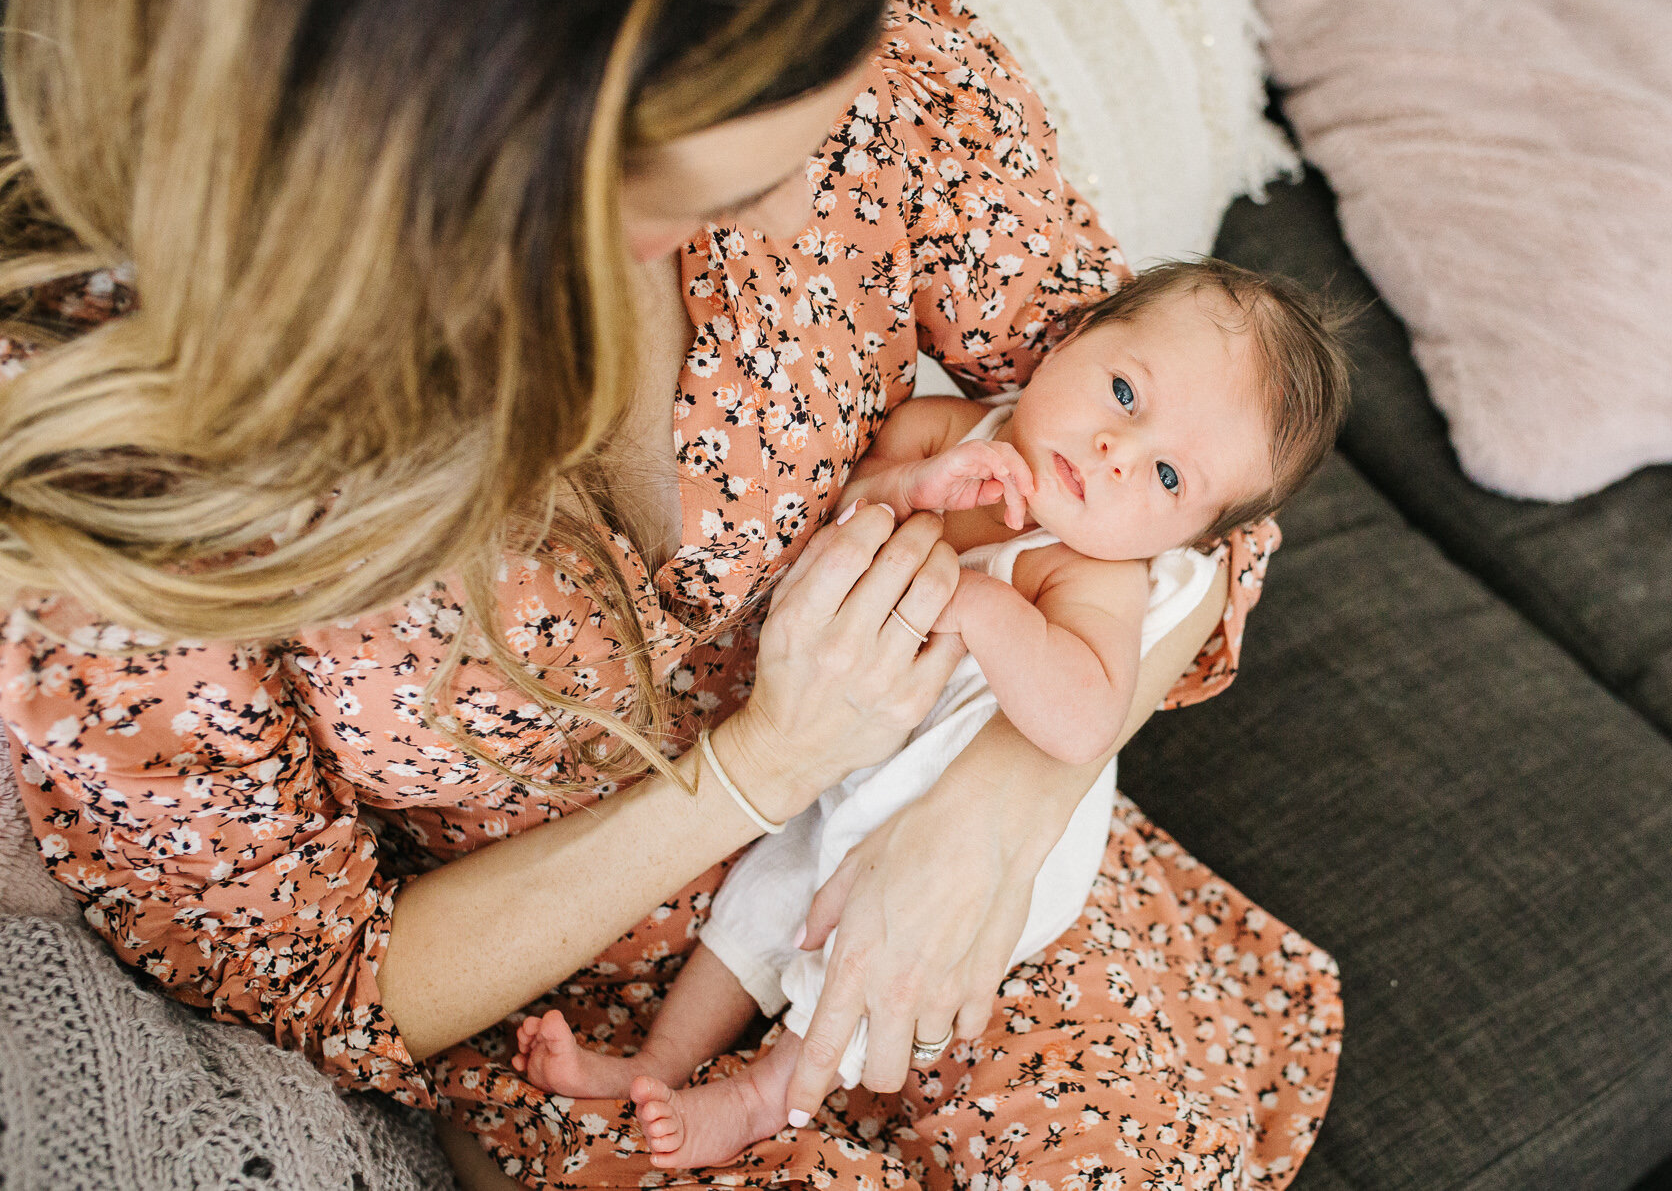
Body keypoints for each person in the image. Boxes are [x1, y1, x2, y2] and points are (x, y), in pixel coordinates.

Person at [0, 0, 1343, 1189]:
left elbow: (1202, 509)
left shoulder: (866, 82)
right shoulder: (123, 487)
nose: (783, 192)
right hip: (599, 1020)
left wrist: (990, 816)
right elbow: (322, 975)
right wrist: (759, 766)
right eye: (690, 190)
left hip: (962, 866)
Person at [508, 261, 1351, 1170]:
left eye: (1167, 474)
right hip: (849, 762)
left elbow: (1080, 722)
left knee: (854, 943)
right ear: (1071, 337)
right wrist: (911, 493)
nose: (1114, 449)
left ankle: (764, 1092)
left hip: (960, 815)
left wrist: (985, 608)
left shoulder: (1096, 573)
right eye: (1122, 392)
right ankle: (655, 1061)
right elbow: (839, 518)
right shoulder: (945, 431)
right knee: (761, 902)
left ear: (1184, 541)